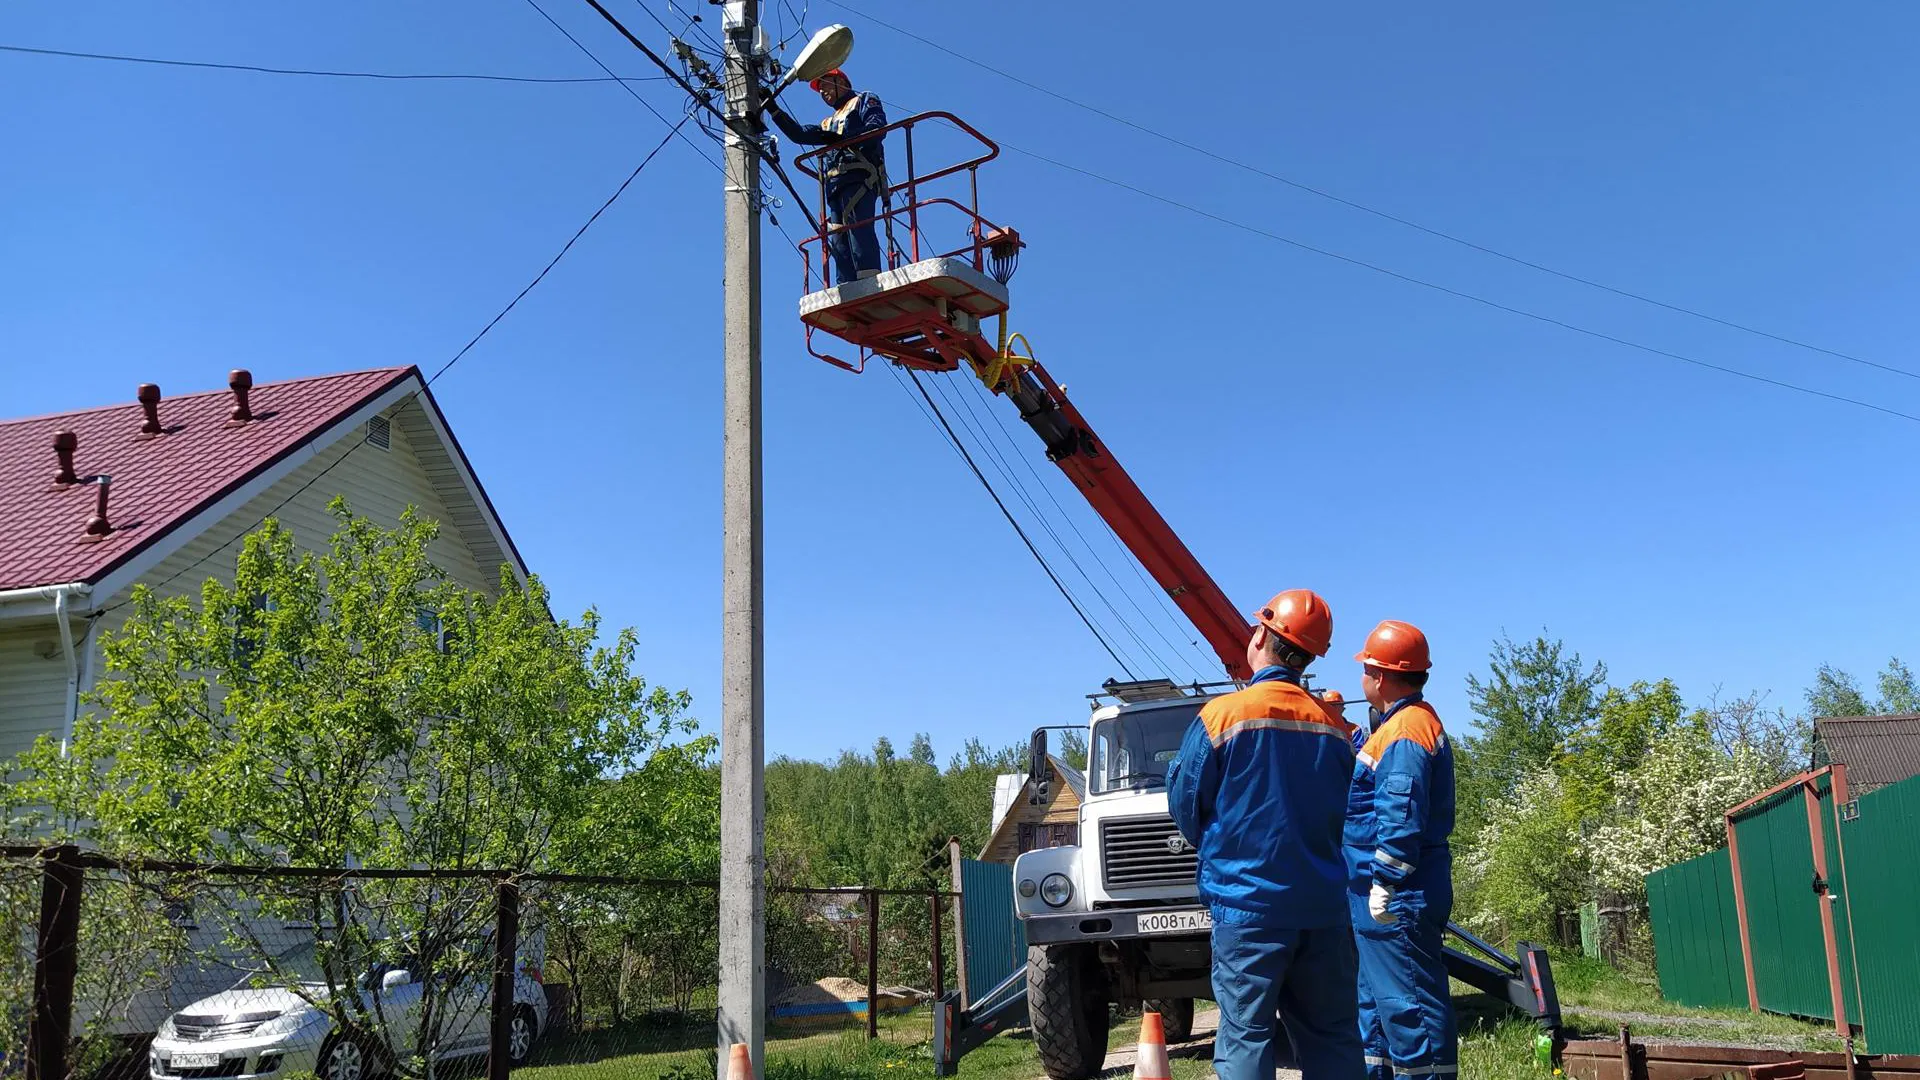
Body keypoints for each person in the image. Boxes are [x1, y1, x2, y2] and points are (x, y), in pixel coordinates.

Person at [1165, 590, 1366, 1080]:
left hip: (1247, 908)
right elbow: (1350, 812)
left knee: (1246, 1037)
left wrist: (1221, 848)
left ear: (1261, 636)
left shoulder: (1222, 717)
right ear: (1311, 656)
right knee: (1332, 1035)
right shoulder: (1334, 727)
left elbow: (1185, 804)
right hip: (1321, 908)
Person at [1344, 620, 1458, 1080]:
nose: (1363, 677)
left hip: (1398, 896)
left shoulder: (1407, 729)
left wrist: (1387, 880)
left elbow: (1400, 808)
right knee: (1376, 1009)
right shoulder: (1396, 727)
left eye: (1366, 668)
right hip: (1378, 896)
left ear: (1382, 675)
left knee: (1410, 1009)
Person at [767, 68, 887, 284]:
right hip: (834, 186)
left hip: (859, 178)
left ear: (842, 82)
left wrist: (843, 139)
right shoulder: (827, 123)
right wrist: (772, 108)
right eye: (820, 89)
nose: (823, 92)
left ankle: (870, 284)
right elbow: (799, 134)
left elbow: (876, 130)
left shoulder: (862, 100)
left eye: (825, 85)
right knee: (839, 240)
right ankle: (847, 287)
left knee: (859, 233)